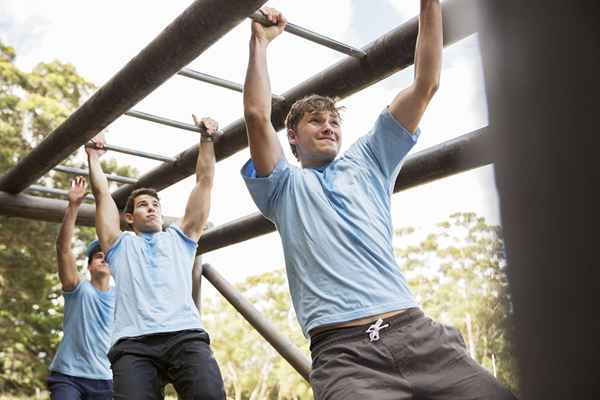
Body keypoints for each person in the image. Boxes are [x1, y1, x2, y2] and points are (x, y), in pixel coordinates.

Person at [241, 4, 517, 399]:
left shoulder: (369, 158)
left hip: (416, 333)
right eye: (316, 121)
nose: (329, 126)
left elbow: (426, 83)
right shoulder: (282, 186)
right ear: (293, 138)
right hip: (345, 355)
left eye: (334, 121)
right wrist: (259, 42)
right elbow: (255, 114)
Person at [86, 116, 225, 400]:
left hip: (184, 335)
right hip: (133, 344)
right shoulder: (119, 244)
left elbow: (205, 182)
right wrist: (94, 158)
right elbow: (102, 195)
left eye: (155, 205)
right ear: (129, 217)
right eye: (143, 205)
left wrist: (207, 140)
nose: (151, 209)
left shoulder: (181, 238)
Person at [48, 176, 114, 399]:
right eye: (97, 256)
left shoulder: (121, 296)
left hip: (106, 378)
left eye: (107, 256)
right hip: (69, 376)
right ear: (88, 267)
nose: (103, 259)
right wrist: (73, 205)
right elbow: (63, 249)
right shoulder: (78, 289)